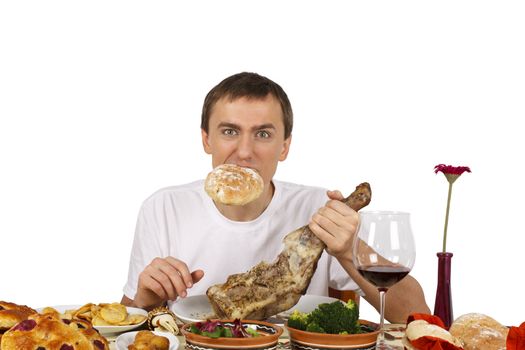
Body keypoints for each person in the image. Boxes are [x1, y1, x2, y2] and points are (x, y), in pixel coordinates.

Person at [121, 72, 430, 323]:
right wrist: (145, 299)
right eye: (229, 131)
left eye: (263, 134)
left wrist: (349, 250)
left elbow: (417, 316)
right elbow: (121, 327)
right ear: (206, 139)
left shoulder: (320, 210)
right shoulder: (164, 208)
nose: (244, 152)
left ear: (284, 146)